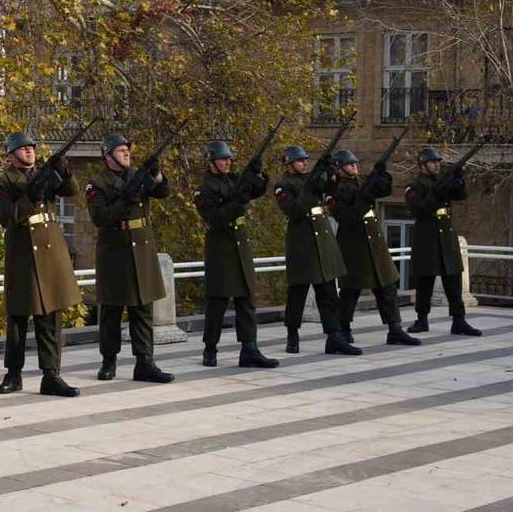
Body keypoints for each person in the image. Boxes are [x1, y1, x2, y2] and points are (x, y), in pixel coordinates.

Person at [0, 130, 82, 397]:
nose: (28, 151)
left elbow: (72, 190)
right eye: (22, 148)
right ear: (11, 155)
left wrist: (63, 170)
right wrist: (30, 199)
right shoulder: (3, 181)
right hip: (22, 252)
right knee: (18, 316)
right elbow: (7, 217)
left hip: (50, 249)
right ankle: (13, 373)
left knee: (50, 315)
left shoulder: (45, 173)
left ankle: (51, 374)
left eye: (31, 147)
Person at [84, 134, 174, 383]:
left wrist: (156, 174)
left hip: (142, 247)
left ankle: (145, 362)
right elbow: (101, 217)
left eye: (127, 150)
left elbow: (163, 192)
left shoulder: (138, 175)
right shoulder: (97, 183)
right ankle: (108, 361)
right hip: (115, 250)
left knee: (142, 308)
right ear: (108, 155)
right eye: (121, 150)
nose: (126, 154)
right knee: (112, 310)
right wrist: (126, 200)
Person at [192, 140, 279, 369]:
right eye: (223, 159)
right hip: (221, 248)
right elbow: (215, 219)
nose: (228, 162)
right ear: (211, 162)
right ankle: (210, 348)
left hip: (240, 245)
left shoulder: (233, 179)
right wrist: (238, 203)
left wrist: (257, 172)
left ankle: (249, 348)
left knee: (246, 301)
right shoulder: (204, 189)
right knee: (218, 302)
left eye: (229, 159)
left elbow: (256, 191)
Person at [272, 146, 360, 356]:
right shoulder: (283, 185)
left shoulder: (310, 179)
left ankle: (334, 336)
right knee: (297, 293)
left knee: (328, 293)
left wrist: (330, 172)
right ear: (289, 163)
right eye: (300, 160)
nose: (304, 163)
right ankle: (292, 334)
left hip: (322, 241)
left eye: (306, 160)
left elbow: (332, 189)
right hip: (302, 243)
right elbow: (294, 210)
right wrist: (310, 189)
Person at [329, 149, 420, 346]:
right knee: (350, 290)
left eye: (355, 163)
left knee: (386, 286)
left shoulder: (360, 182)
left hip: (374, 241)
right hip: (353, 244)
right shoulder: (335, 191)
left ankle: (395, 328)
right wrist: (365, 199)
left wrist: (381, 174)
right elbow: (348, 218)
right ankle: (343, 328)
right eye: (349, 164)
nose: (354, 166)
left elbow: (383, 191)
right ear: (339, 168)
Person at [404, 147, 481, 336]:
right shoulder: (414, 186)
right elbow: (418, 210)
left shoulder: (442, 181)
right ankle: (421, 320)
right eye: (433, 162)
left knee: (453, 279)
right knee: (425, 280)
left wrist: (458, 179)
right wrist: (436, 194)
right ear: (423, 165)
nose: (437, 165)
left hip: (446, 234)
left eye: (438, 162)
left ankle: (459, 320)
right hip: (427, 236)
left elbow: (461, 195)